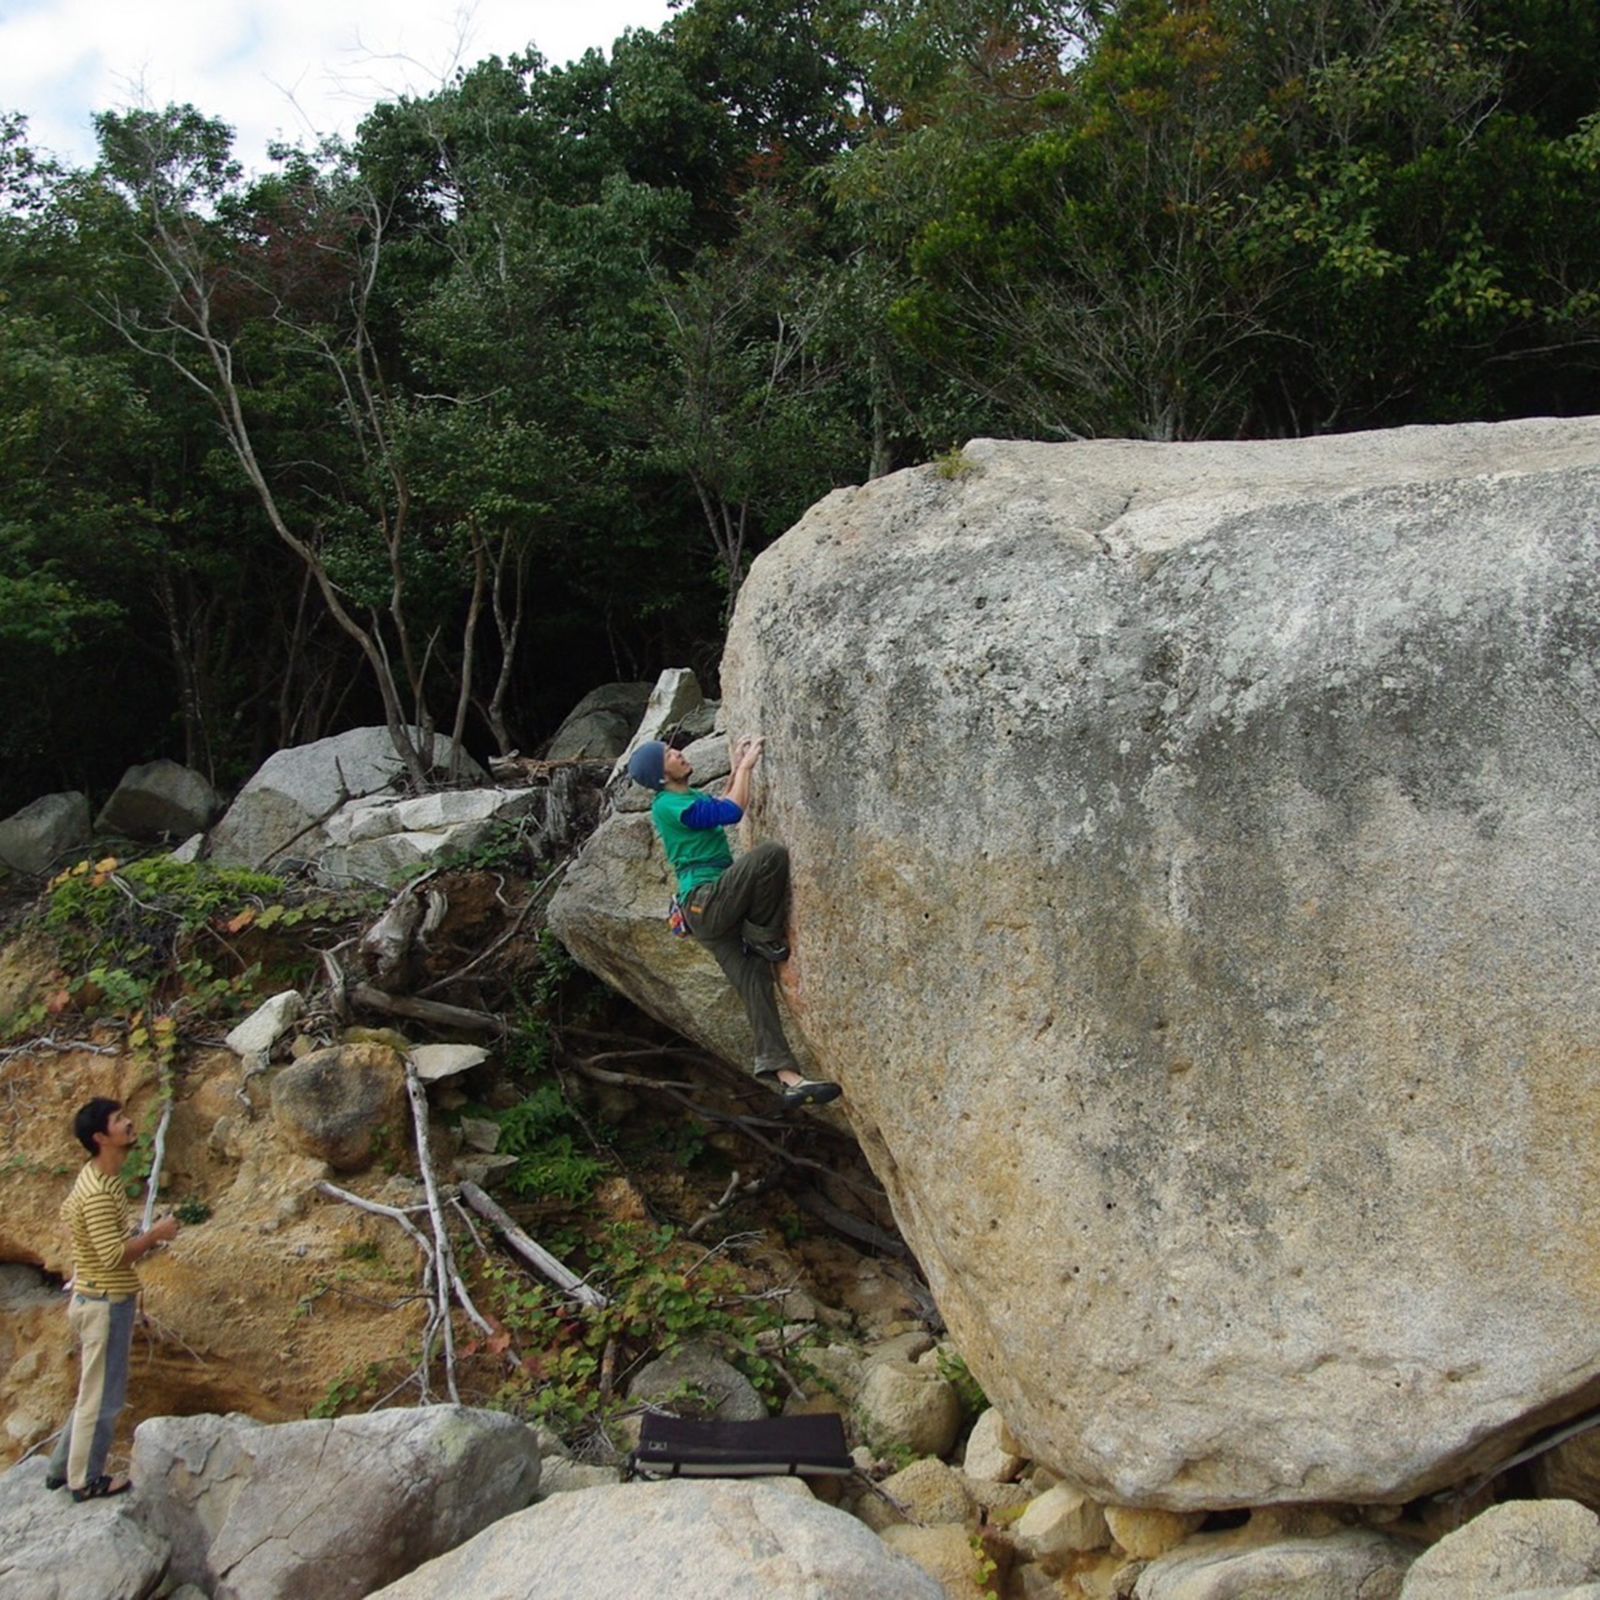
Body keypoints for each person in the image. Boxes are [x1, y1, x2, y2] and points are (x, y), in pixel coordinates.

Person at [627, 734, 841, 1110]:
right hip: (706, 902)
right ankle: (761, 937)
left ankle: (790, 1080)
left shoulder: (683, 799)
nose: (679, 753)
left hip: (710, 914)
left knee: (755, 982)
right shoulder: (666, 805)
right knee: (769, 856)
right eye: (669, 755)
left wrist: (736, 765)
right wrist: (745, 767)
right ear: (661, 776)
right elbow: (730, 812)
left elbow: (719, 803)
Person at [45, 1098, 180, 1501]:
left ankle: (60, 1469)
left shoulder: (95, 1178)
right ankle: (84, 1480)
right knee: (103, 1397)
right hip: (103, 1303)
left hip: (96, 1295)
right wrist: (155, 1235)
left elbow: (74, 1218)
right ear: (101, 1137)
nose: (129, 1123)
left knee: (93, 1390)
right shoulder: (100, 1193)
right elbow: (113, 1254)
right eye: (119, 1120)